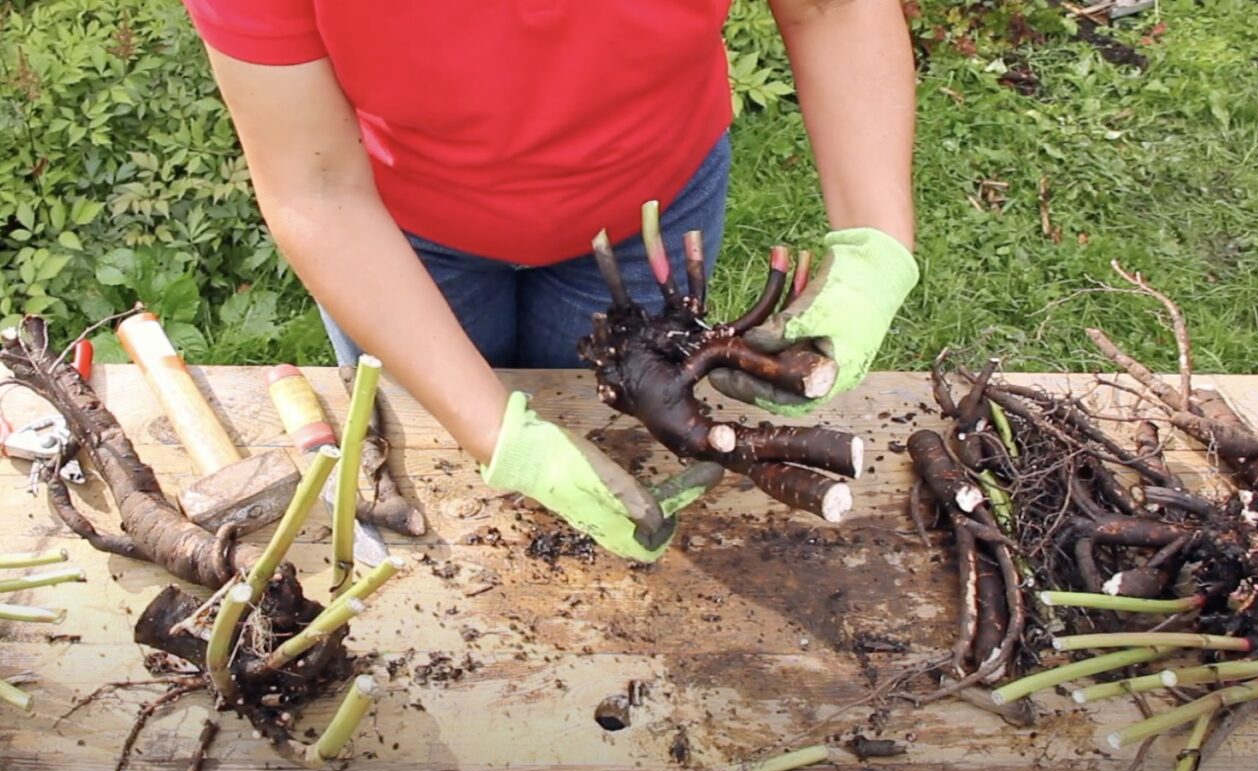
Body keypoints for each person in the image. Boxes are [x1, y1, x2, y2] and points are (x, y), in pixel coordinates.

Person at [177, 0, 920, 561]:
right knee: (440, 467)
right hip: (395, 242)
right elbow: (316, 188)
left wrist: (876, 245)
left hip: (650, 203)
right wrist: (498, 435)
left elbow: (832, 8)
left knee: (608, 437)